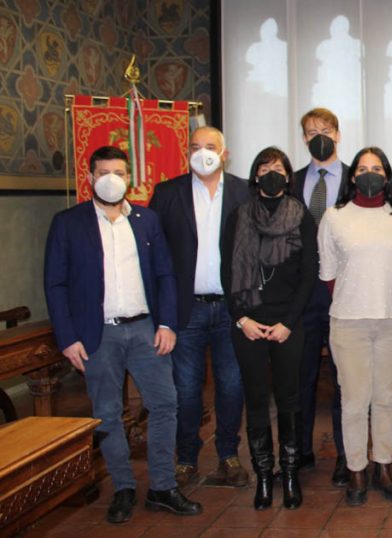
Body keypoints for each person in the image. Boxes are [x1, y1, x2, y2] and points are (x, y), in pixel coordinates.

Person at [44, 145, 202, 524]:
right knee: (107, 413)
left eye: (119, 172)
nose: (112, 180)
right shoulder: (68, 223)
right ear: (90, 177)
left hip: (146, 329)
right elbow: (55, 283)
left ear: (130, 178)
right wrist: (67, 338)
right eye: (103, 173)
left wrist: (167, 324)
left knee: (165, 404)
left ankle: (162, 486)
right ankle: (123, 487)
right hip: (97, 334)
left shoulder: (147, 220)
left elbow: (165, 274)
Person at [149, 126, 250, 489]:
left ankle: (228, 455)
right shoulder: (167, 194)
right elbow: (155, 255)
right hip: (185, 309)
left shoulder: (244, 191)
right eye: (195, 147)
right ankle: (187, 458)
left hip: (231, 308)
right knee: (186, 388)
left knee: (232, 384)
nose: (202, 153)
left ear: (225, 154)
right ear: (186, 153)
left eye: (210, 146)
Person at [222, 147, 317, 510]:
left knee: (290, 398)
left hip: (287, 323)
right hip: (248, 321)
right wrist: (241, 319)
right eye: (264, 168)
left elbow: (309, 274)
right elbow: (227, 271)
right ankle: (263, 475)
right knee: (257, 398)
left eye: (278, 168)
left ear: (288, 176)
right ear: (255, 175)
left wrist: (288, 323)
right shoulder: (239, 216)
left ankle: (290, 474)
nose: (271, 173)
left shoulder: (301, 216)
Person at [318, 147, 392, 507]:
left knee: (386, 399)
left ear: (387, 176)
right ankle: (356, 468)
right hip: (349, 321)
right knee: (354, 401)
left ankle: (383, 466)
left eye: (377, 168)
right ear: (353, 176)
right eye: (362, 168)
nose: (369, 173)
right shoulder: (334, 216)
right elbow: (328, 273)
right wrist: (354, 297)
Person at [291, 107, 349, 486]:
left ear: (338, 134)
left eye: (325, 130)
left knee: (345, 378)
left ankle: (347, 455)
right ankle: (300, 451)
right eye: (312, 132)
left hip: (344, 291)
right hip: (302, 295)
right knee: (301, 377)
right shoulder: (291, 181)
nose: (319, 137)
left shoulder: (357, 179)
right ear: (304, 139)